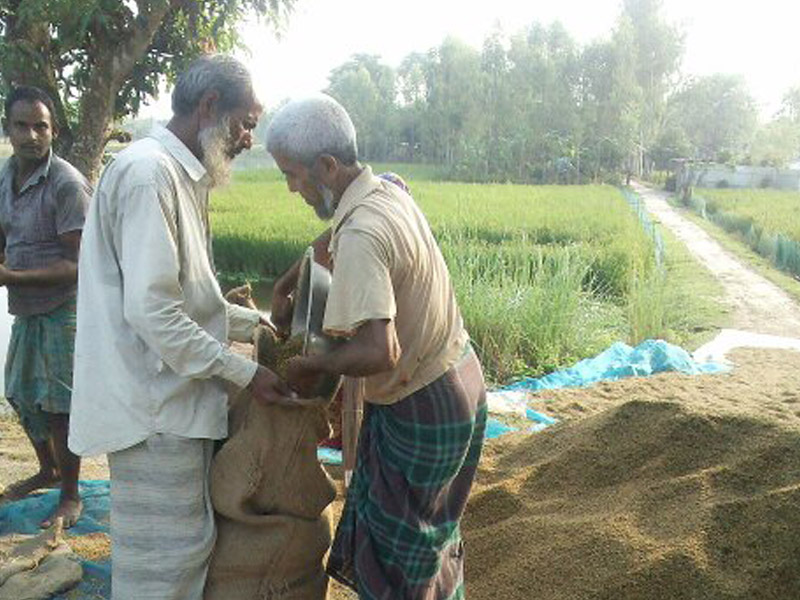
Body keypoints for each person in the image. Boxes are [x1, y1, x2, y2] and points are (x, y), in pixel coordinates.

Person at [68, 55, 291, 600]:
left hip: (173, 407)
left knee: (182, 554)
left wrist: (257, 323)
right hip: (153, 414)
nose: (247, 140)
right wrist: (244, 373)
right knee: (161, 571)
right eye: (245, 123)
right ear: (209, 106)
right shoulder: (150, 175)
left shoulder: (180, 175)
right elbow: (155, 314)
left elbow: (188, 299)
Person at [267, 94, 488, 599]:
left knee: (397, 562)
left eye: (294, 174)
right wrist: (295, 274)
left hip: (421, 400)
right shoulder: (385, 188)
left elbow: (378, 351)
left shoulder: (364, 232)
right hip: (461, 377)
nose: (291, 188)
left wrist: (311, 366)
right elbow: (337, 234)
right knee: (431, 538)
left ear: (326, 165)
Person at [0, 85, 91, 528]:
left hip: (63, 306)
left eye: (42, 126)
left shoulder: (66, 183)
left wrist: (11, 277)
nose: (32, 135)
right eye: (22, 125)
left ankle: (71, 494)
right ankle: (47, 469)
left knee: (59, 405)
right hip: (26, 307)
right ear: (7, 128)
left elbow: (79, 264)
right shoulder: (5, 176)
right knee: (18, 391)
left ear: (53, 131)